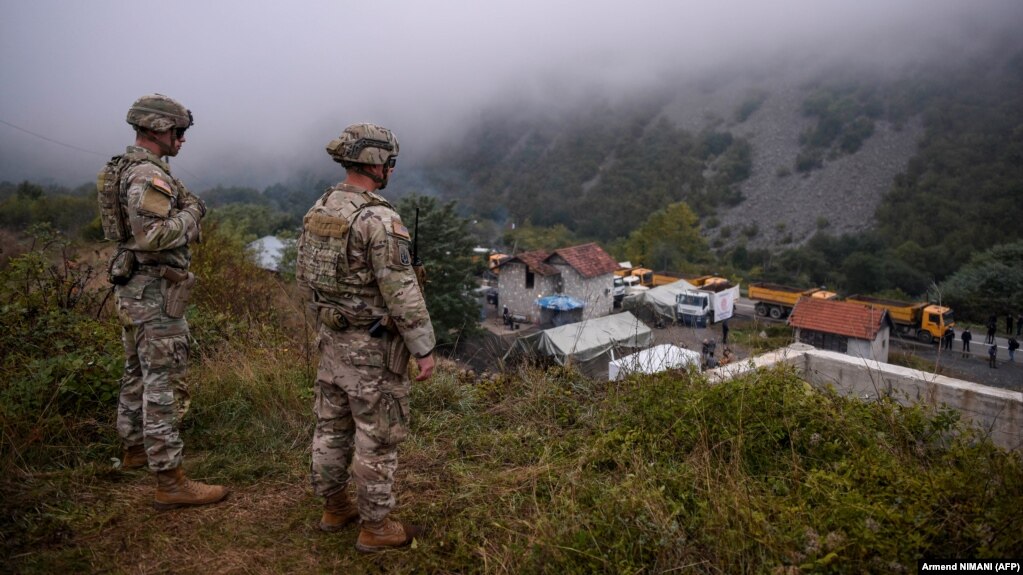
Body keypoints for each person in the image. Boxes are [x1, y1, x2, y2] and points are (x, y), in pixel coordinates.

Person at [296, 123, 435, 553]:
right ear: (380, 165)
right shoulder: (378, 217)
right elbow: (402, 289)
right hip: (373, 349)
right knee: (377, 436)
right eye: (390, 162)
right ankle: (376, 527)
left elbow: (304, 279)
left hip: (332, 340)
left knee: (331, 427)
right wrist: (424, 348)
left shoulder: (321, 207)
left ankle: (335, 506)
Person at [102, 94, 227, 508]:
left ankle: (136, 448)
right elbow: (151, 236)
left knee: (136, 370)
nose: (182, 140)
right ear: (157, 129)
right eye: (179, 131)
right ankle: (169, 480)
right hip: (155, 291)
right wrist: (193, 214)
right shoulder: (147, 176)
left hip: (134, 287)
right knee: (164, 382)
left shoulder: (124, 168)